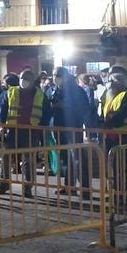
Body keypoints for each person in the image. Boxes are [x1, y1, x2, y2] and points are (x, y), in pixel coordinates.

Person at [0, 69, 54, 197]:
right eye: (22, 78)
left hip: (31, 131)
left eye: (27, 78)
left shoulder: (40, 94)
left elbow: (47, 112)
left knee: (29, 161)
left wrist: (41, 127)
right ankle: (4, 184)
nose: (24, 81)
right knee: (6, 158)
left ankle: (27, 187)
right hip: (12, 130)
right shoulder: (11, 92)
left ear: (33, 81)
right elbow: (3, 108)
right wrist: (1, 126)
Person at [101, 71, 127, 212]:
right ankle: (120, 198)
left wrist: (111, 122)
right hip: (113, 137)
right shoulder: (110, 96)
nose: (110, 83)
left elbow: (124, 116)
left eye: (113, 80)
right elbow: (102, 116)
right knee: (117, 170)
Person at [51, 66, 94, 198]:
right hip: (59, 128)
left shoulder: (76, 91)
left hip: (73, 127)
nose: (55, 78)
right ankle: (69, 186)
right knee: (65, 159)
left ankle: (86, 189)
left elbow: (84, 109)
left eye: (57, 75)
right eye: (53, 75)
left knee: (78, 158)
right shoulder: (54, 90)